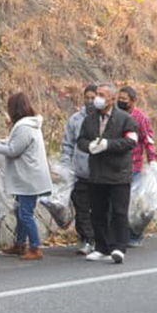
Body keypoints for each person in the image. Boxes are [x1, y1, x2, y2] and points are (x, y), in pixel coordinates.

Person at [0, 92, 53, 261]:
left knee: (25, 213)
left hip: (28, 178)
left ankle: (35, 247)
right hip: (27, 176)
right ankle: (20, 243)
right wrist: (4, 142)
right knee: (19, 211)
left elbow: (13, 150)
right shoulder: (29, 125)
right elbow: (16, 144)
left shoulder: (24, 126)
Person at [77, 82, 138, 264]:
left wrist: (108, 145)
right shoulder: (89, 119)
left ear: (112, 99)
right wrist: (89, 146)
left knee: (119, 212)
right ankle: (101, 247)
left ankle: (119, 247)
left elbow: (131, 142)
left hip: (119, 173)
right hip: (96, 173)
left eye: (101, 95)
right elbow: (80, 140)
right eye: (97, 94)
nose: (97, 98)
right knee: (97, 212)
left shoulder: (125, 119)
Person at [118, 86, 157, 247]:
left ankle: (134, 235)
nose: (121, 101)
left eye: (125, 99)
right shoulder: (115, 116)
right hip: (116, 167)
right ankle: (119, 235)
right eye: (119, 98)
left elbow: (148, 140)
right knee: (119, 204)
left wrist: (152, 159)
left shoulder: (141, 118)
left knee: (135, 205)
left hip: (134, 168)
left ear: (133, 101)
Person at [60, 85, 97, 255]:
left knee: (98, 208)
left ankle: (99, 238)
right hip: (79, 172)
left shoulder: (104, 119)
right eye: (87, 97)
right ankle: (86, 239)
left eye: (93, 97)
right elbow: (67, 144)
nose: (89, 101)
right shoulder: (75, 119)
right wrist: (65, 165)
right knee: (81, 208)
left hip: (99, 174)